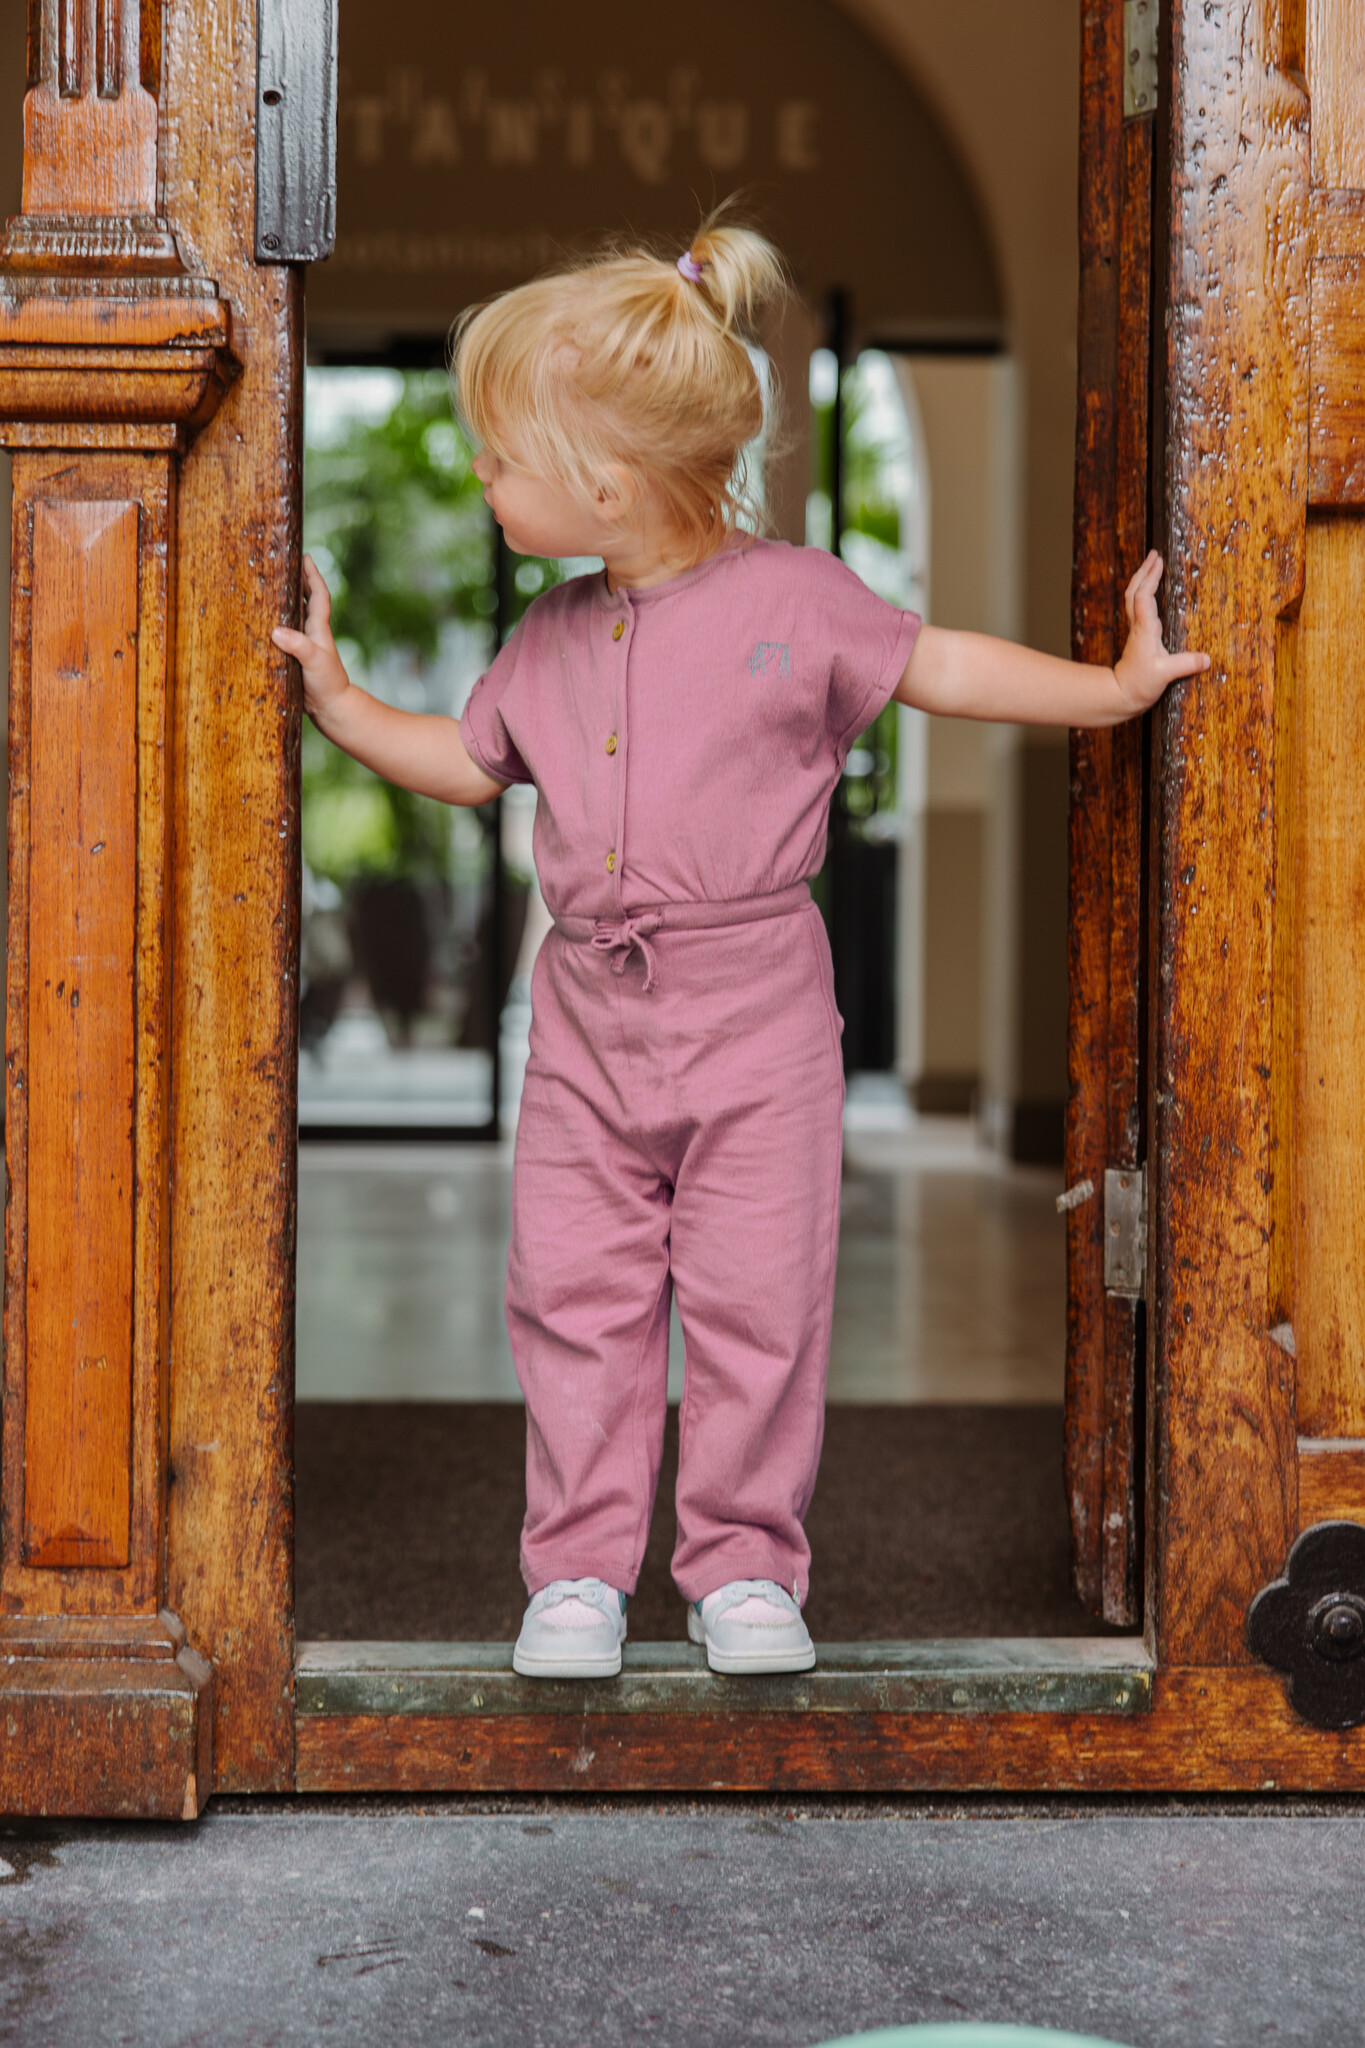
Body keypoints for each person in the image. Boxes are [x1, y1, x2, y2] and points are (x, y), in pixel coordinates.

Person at [274, 215, 1208, 1681]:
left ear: (603, 480)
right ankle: (578, 1571)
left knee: (756, 1296)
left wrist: (1113, 686)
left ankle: (741, 1568)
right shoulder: (548, 636)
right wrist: (334, 702)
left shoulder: (798, 601)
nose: (480, 478)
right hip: (589, 1023)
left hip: (757, 1018)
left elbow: (940, 663)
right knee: (573, 1294)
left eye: (497, 455)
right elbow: (466, 759)